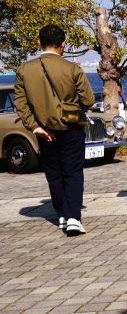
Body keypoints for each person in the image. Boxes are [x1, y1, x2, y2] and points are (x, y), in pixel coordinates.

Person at [13, 25, 94, 236]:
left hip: (43, 129)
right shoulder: (72, 68)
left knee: (54, 173)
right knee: (73, 172)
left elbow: (20, 103)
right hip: (71, 126)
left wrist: (35, 126)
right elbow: (88, 100)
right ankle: (73, 217)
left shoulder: (24, 70)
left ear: (39, 42)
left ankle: (62, 214)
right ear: (63, 44)